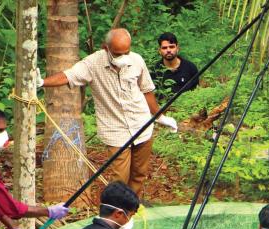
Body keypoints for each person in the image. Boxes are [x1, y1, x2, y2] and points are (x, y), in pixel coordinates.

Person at [40, 28, 178, 196]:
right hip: (115, 130)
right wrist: (41, 83)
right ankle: (115, 212)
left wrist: (159, 116)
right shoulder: (92, 63)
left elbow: (147, 90)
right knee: (119, 178)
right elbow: (68, 76)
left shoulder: (136, 60)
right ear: (106, 48)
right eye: (118, 54)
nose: (122, 57)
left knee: (139, 174)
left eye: (126, 52)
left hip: (142, 124)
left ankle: (130, 208)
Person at [151, 32, 199, 99]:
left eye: (171, 47)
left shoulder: (190, 68)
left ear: (177, 48)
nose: (168, 50)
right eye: (164, 48)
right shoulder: (154, 71)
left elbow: (197, 92)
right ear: (159, 50)